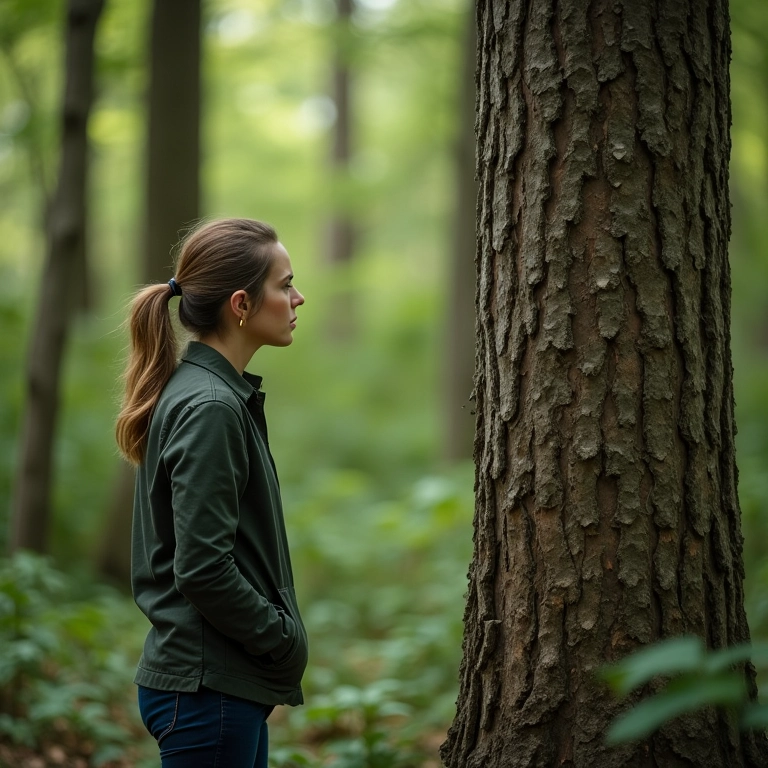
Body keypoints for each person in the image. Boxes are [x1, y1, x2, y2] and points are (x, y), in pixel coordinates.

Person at [115, 218, 308, 768]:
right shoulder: (212, 408)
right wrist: (280, 638)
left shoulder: (210, 394)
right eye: (284, 284)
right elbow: (201, 567)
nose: (298, 297)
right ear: (242, 303)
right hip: (208, 693)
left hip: (220, 689)